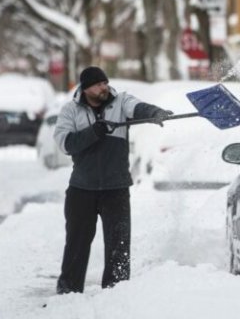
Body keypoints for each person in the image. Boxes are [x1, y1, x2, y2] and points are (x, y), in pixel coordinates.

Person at [53, 66, 172, 293]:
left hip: (115, 188)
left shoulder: (120, 102)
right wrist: (95, 132)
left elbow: (136, 107)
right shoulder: (70, 110)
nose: (104, 87)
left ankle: (117, 292)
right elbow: (65, 143)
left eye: (105, 82)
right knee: (77, 243)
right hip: (82, 189)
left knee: (119, 246)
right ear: (86, 88)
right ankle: (68, 290)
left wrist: (154, 113)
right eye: (98, 84)